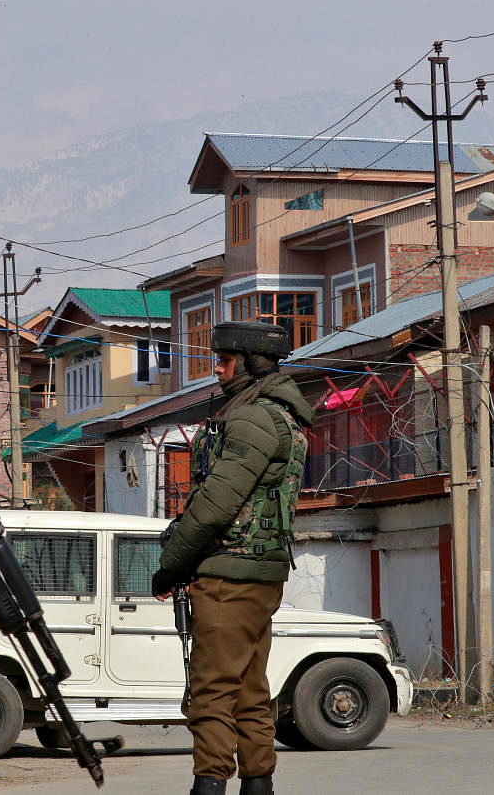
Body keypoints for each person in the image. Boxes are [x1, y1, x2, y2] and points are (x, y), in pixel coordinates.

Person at [151, 321, 314, 795]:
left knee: (211, 689)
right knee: (248, 689)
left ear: (251, 364)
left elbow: (216, 502)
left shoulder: (253, 419)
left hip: (229, 572)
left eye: (224, 361)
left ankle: (211, 783)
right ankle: (257, 783)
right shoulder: (279, 415)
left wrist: (173, 563)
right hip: (257, 572)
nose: (216, 370)